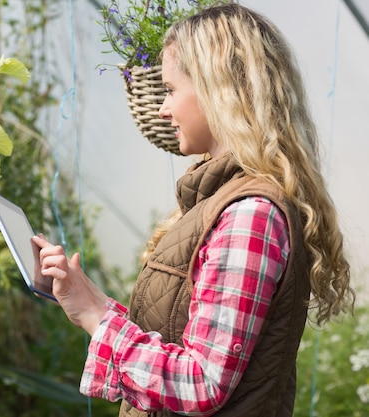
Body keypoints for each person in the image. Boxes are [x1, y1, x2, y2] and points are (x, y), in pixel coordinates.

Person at [31, 3, 355, 417]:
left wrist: (96, 317)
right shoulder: (222, 198)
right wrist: (85, 297)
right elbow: (175, 339)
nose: (163, 109)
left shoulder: (250, 214)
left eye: (170, 89)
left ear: (219, 89)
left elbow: (199, 382)